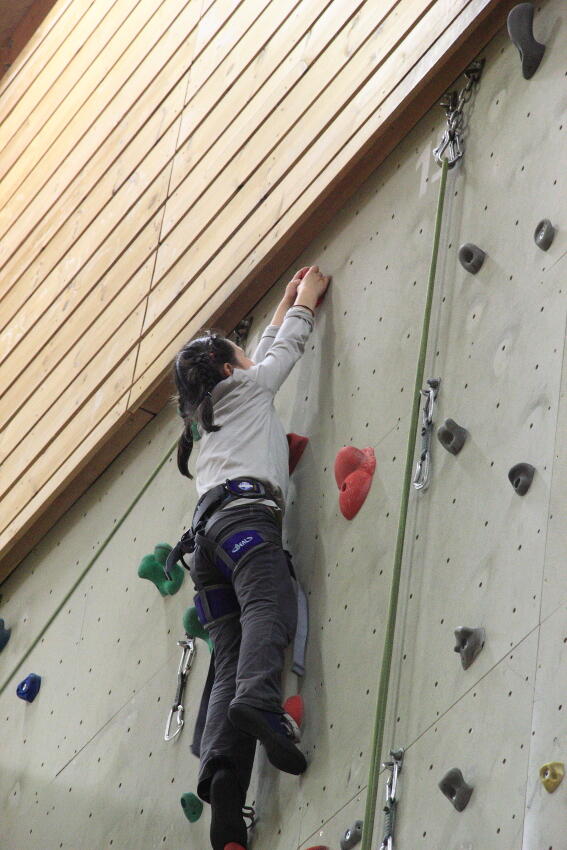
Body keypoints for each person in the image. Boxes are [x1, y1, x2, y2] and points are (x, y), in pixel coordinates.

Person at [170, 265, 330, 850]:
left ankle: (223, 781)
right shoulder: (250, 388)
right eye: (238, 353)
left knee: (229, 655)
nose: (249, 355)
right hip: (245, 522)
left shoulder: (207, 415)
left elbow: (256, 357)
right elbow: (280, 353)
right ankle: (260, 703)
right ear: (227, 368)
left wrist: (282, 303)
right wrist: (304, 303)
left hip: (206, 547)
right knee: (269, 604)